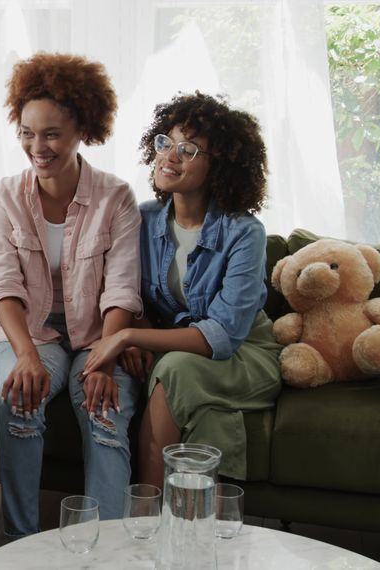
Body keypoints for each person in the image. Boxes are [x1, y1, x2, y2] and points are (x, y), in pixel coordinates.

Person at [83, 91, 283, 488]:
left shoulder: (245, 233)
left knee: (171, 369)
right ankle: (189, 521)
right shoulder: (143, 219)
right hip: (174, 348)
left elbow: (223, 337)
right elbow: (127, 289)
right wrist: (137, 327)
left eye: (188, 150)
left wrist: (126, 336)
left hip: (246, 355)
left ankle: (145, 520)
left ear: (221, 167)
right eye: (165, 143)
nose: (169, 156)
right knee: (173, 372)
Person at [0, 52, 143, 538]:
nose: (38, 146)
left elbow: (121, 288)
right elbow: (3, 286)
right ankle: (20, 543)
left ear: (83, 129)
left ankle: (107, 550)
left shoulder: (116, 197)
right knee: (19, 399)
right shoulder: (6, 196)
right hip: (30, 333)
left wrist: (104, 360)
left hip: (99, 335)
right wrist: (26, 358)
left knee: (104, 410)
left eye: (51, 134)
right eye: (28, 133)